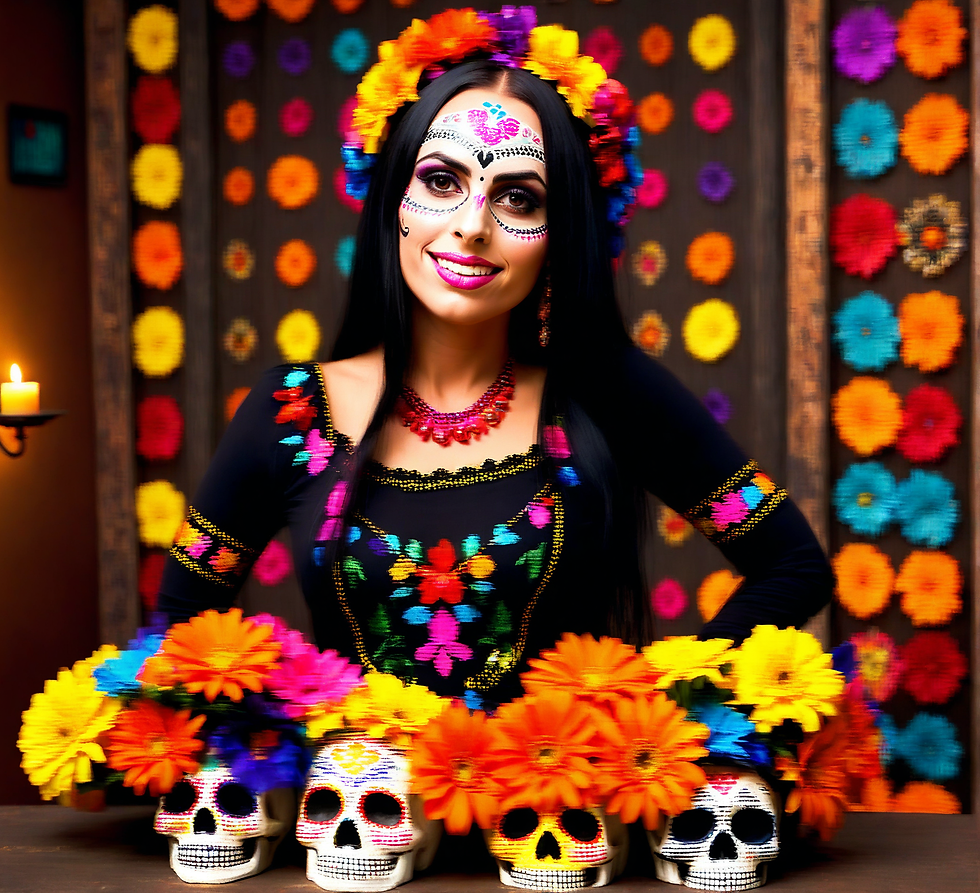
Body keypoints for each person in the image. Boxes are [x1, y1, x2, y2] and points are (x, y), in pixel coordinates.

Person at [159, 9, 831, 710]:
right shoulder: (291, 414)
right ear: (391, 199)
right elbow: (179, 631)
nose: (472, 225)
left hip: (554, 815)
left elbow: (792, 565)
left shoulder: (604, 392)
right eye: (442, 182)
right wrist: (278, 741)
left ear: (558, 236)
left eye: (518, 197)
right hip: (361, 813)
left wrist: (656, 723)